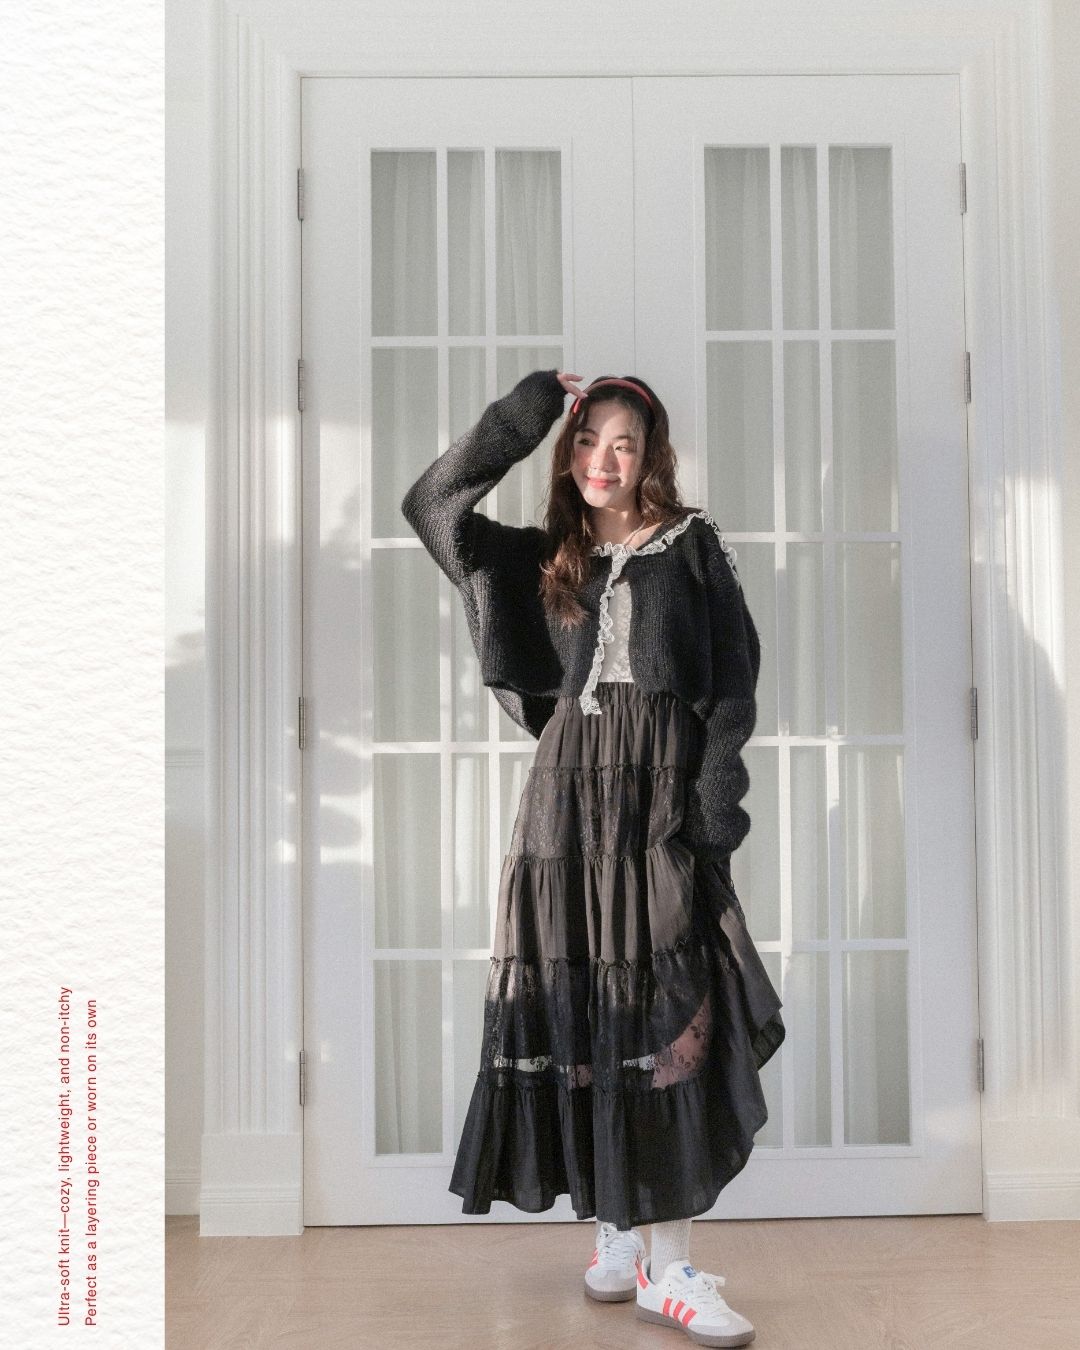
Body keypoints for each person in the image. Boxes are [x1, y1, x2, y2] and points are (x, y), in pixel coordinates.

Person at [401, 368, 785, 1348]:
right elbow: (432, 504)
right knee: (587, 1008)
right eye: (586, 440)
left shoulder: (690, 545)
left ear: (651, 454)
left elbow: (731, 690)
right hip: (566, 809)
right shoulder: (544, 557)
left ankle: (670, 1269)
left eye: (623, 442)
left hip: (660, 806)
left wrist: (709, 820)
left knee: (668, 1012)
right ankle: (619, 1235)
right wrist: (524, 413)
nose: (602, 460)